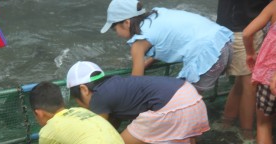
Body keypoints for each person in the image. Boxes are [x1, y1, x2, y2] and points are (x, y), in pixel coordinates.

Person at [66, 61, 210, 144]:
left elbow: (100, 132)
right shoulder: (117, 85)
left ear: (84, 90)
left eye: (77, 100)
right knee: (143, 132)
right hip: (192, 98)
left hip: (172, 109)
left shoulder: (97, 97)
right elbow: (118, 123)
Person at [100, 0, 233, 93]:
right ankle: (227, 123)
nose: (116, 34)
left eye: (114, 28)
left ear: (127, 23)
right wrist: (146, 64)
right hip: (222, 41)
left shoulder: (138, 42)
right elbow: (167, 41)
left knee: (188, 102)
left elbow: (136, 82)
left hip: (207, 55)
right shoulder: (157, 15)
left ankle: (191, 131)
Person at [216, 0, 270, 143]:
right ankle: (246, 134)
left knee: (241, 81)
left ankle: (226, 122)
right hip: (244, 30)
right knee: (250, 86)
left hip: (227, 28)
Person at [242, 1, 276, 144]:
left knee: (263, 124)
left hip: (269, 77)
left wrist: (250, 53)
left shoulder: (274, 5)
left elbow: (247, 33)